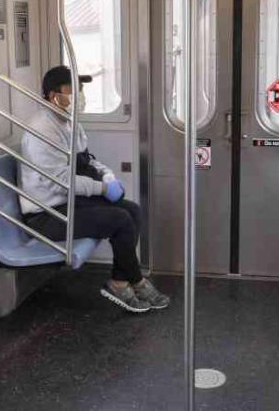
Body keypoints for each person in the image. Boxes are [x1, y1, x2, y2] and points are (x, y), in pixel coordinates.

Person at [19, 66, 170, 313]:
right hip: (47, 213)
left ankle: (124, 280)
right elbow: (60, 181)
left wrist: (107, 176)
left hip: (67, 202)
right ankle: (128, 282)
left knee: (131, 210)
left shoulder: (68, 122)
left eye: (79, 90)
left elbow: (86, 160)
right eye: (71, 91)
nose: (78, 96)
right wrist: (101, 189)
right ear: (52, 96)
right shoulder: (42, 130)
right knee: (119, 220)